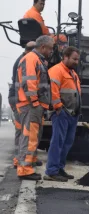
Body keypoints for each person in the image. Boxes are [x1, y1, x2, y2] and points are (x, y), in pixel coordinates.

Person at [15, 35, 54, 180]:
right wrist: (35, 102)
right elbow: (29, 82)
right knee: (29, 136)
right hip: (30, 105)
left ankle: (27, 166)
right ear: (42, 47)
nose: (51, 51)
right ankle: (25, 169)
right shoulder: (32, 59)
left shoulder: (36, 59)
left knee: (32, 136)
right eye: (50, 48)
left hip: (33, 105)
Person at [44, 46, 81, 182]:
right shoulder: (56, 71)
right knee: (58, 142)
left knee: (67, 142)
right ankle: (52, 171)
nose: (76, 62)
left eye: (77, 59)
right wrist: (58, 107)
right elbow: (53, 91)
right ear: (65, 57)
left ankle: (59, 168)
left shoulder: (72, 73)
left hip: (72, 113)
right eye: (74, 59)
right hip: (61, 112)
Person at [8, 41, 43, 168]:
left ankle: (23, 158)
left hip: (19, 100)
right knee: (24, 134)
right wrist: (34, 101)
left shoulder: (22, 59)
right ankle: (20, 160)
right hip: (22, 101)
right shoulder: (25, 60)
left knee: (24, 133)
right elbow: (27, 83)